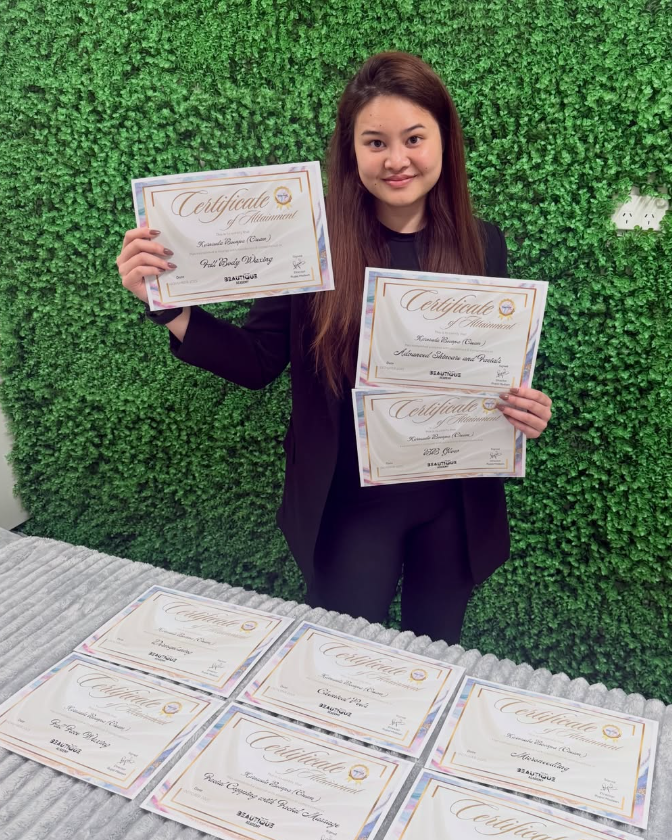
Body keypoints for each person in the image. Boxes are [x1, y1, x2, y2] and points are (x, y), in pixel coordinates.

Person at [116, 51, 552, 643]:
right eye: (375, 142)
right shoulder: (311, 246)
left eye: (414, 138)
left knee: (437, 658)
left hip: (455, 502)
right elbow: (257, 361)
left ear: (444, 141)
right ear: (351, 151)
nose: (396, 160)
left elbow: (495, 371)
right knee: (340, 660)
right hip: (349, 506)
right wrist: (168, 304)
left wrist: (525, 409)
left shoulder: (483, 244)